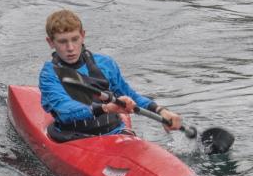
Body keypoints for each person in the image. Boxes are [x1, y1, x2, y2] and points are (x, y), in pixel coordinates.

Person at [39, 9, 182, 141]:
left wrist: (160, 111)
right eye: (63, 41)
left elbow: (129, 94)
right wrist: (106, 108)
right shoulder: (49, 75)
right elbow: (66, 110)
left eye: (74, 39)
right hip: (73, 138)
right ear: (50, 42)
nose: (70, 48)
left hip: (115, 134)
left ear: (83, 36)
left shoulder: (105, 63)